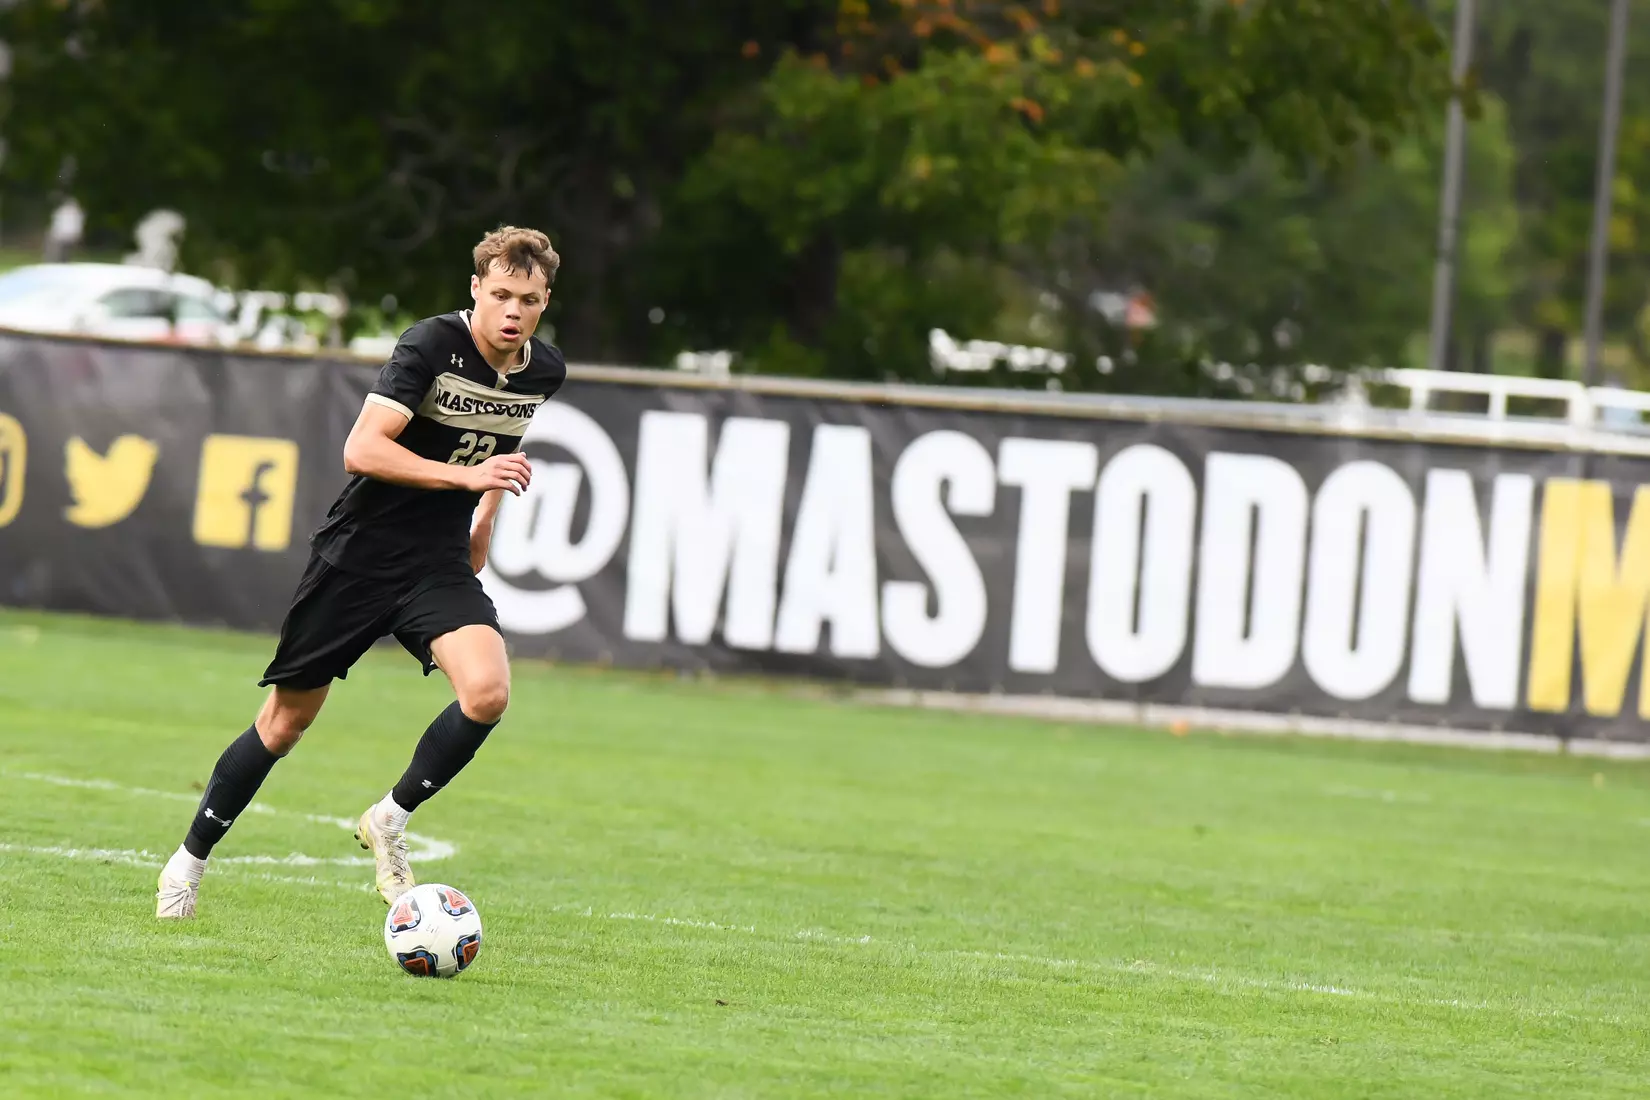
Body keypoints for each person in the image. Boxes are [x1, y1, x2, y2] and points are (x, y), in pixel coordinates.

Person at [155, 226, 566, 919]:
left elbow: (503, 438)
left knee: (488, 692)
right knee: (284, 725)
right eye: (500, 293)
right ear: (476, 289)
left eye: (527, 298)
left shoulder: (543, 370)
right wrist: (463, 477)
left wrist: (484, 518)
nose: (512, 310)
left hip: (434, 561)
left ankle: (390, 818)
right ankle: (186, 864)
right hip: (359, 555)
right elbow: (362, 450)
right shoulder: (430, 346)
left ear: (544, 299)